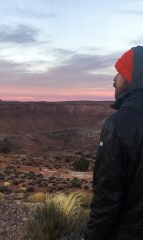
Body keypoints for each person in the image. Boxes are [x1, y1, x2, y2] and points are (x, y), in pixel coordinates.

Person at [85, 46, 143, 239]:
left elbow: (106, 199)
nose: (113, 79)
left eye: (119, 72)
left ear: (132, 78)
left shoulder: (118, 125)